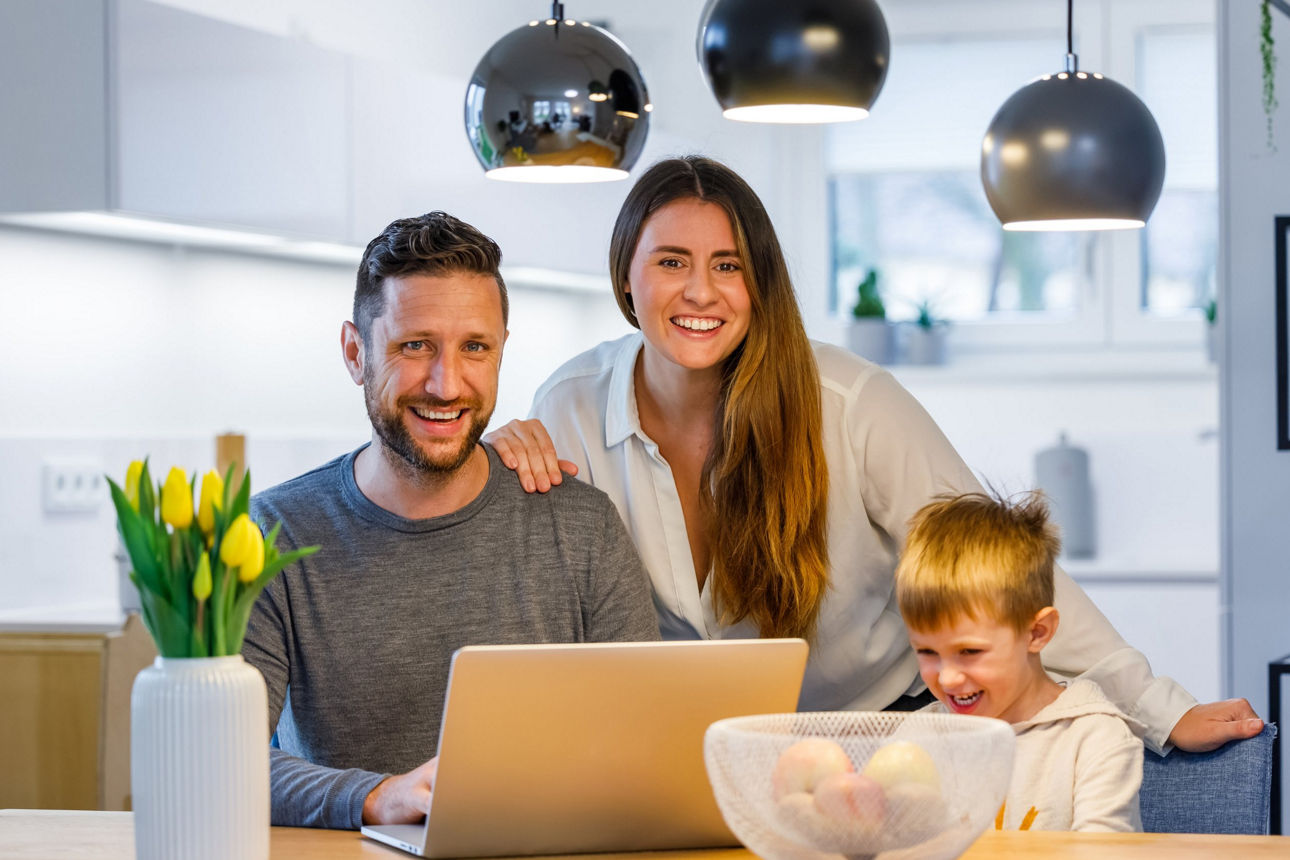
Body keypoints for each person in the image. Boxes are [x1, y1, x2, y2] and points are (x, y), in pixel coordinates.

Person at [485, 155, 1262, 754]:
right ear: (626, 275)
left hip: (887, 736)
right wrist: (488, 463)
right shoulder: (570, 404)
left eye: (728, 265)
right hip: (708, 751)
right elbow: (530, 586)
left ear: (760, 284)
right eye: (670, 262)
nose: (700, 291)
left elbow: (996, 563)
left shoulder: (852, 404)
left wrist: (1162, 710)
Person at [241, 211, 659, 830]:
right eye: (415, 346)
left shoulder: (581, 528)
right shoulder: (274, 533)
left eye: (474, 348)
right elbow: (228, 757)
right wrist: (380, 797)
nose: (447, 384)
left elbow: (647, 738)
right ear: (356, 353)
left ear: (500, 353)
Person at [896, 491, 1143, 831]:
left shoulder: (1094, 739)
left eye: (969, 652)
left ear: (1037, 632)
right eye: (927, 652)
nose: (948, 678)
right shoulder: (915, 739)